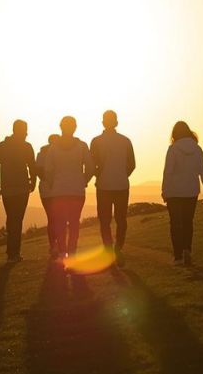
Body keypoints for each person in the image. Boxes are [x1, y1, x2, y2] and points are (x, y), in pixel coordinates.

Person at [161, 120, 203, 266]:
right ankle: (187, 249)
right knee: (188, 222)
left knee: (175, 224)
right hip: (191, 191)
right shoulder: (197, 149)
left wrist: (164, 190)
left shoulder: (173, 149)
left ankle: (178, 256)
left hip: (174, 192)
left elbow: (167, 173)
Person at [90, 110, 135, 264]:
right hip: (122, 185)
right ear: (116, 122)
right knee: (121, 219)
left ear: (103, 122)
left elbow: (92, 164)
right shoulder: (125, 141)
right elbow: (132, 164)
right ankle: (118, 248)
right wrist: (122, 174)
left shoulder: (96, 141)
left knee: (104, 220)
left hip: (104, 185)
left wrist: (99, 174)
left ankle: (108, 249)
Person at [46, 116, 93, 262]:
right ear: (75, 127)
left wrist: (53, 183)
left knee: (59, 222)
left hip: (59, 191)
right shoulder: (82, 146)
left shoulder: (53, 147)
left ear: (61, 127)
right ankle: (72, 252)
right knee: (74, 223)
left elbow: (47, 170)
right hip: (77, 190)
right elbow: (91, 167)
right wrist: (84, 180)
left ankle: (62, 252)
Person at [0, 119, 37, 262]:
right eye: (25, 130)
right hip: (21, 189)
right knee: (17, 220)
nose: (27, 133)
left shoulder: (3, 146)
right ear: (22, 131)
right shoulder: (26, 146)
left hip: (9, 190)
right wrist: (33, 183)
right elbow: (32, 167)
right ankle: (14, 253)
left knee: (12, 220)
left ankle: (12, 252)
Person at [35, 134, 59, 259]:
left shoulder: (41, 154)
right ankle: (57, 244)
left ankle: (53, 245)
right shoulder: (59, 152)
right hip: (56, 189)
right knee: (58, 217)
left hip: (46, 189)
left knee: (51, 218)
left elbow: (38, 171)